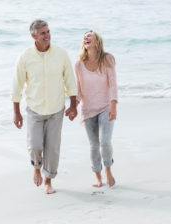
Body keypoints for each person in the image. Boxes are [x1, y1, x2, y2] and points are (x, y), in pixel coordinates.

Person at [11, 19, 78, 194]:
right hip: (35, 109)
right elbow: (17, 86)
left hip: (57, 109)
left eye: (48, 31)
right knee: (34, 145)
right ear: (33, 35)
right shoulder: (25, 57)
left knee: (53, 147)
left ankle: (48, 180)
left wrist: (73, 105)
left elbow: (70, 80)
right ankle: (36, 166)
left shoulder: (61, 54)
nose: (47, 35)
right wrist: (16, 113)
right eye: (43, 33)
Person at [74, 30, 118, 187]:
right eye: (84, 36)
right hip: (88, 110)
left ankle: (108, 170)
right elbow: (78, 90)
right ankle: (98, 177)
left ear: (97, 40)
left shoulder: (107, 59)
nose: (86, 37)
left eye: (89, 35)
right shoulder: (79, 64)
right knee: (93, 145)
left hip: (106, 106)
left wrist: (114, 104)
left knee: (105, 142)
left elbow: (112, 83)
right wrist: (73, 106)